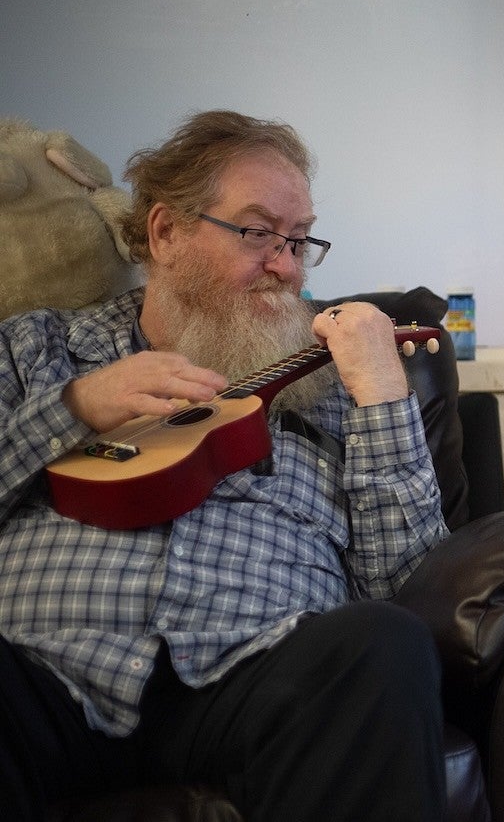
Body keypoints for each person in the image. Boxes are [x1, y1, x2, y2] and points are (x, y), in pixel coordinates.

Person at [0, 110, 451, 821]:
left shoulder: (337, 383)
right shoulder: (35, 349)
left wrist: (384, 397)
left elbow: (410, 587)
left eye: (299, 240)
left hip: (256, 671)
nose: (285, 264)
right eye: (257, 231)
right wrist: (73, 406)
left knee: (383, 646)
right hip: (42, 667)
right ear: (166, 233)